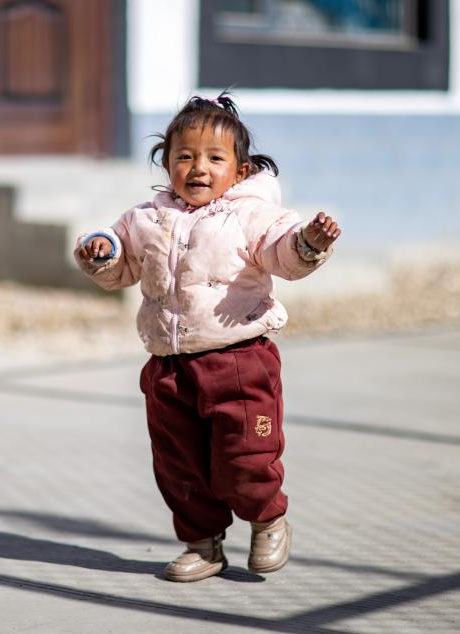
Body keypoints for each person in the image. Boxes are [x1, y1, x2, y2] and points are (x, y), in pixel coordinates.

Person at [74, 93, 340, 582]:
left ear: (240, 171)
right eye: (185, 156)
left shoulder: (252, 215)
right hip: (169, 366)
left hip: (239, 361)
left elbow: (282, 252)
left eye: (215, 158)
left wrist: (307, 243)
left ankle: (267, 519)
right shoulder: (145, 218)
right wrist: (102, 251)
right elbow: (122, 264)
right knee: (179, 463)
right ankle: (202, 543)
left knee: (245, 456)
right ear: (166, 164)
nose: (198, 168)